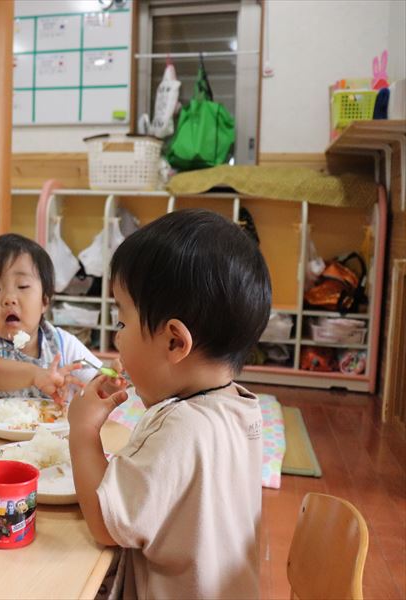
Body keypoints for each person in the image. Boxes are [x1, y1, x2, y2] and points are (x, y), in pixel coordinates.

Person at [68, 209, 271, 598]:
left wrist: (83, 431)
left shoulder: (176, 427)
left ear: (175, 341)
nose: (118, 338)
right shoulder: (242, 408)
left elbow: (105, 525)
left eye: (123, 323)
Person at [0, 233, 102, 400]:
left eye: (23, 286)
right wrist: (37, 375)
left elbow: (98, 383)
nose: (9, 299)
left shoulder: (62, 343)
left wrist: (111, 382)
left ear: (44, 301)